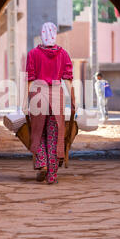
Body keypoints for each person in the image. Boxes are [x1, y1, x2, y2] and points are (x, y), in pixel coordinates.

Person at [23, 22, 75, 184]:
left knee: (38, 132)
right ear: (55, 35)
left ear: (41, 34)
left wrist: (26, 101)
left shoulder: (33, 54)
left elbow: (30, 79)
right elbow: (67, 79)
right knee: (54, 134)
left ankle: (42, 163)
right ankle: (52, 175)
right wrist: (73, 100)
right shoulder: (63, 54)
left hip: (37, 94)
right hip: (56, 96)